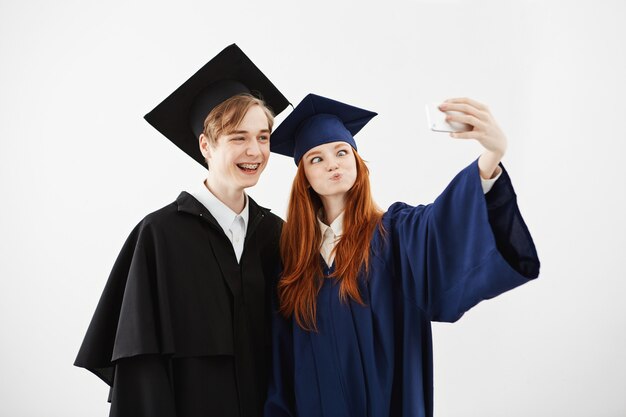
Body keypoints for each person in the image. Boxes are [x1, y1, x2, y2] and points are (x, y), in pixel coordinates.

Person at [265, 93, 540, 417]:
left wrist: (490, 158)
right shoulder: (294, 262)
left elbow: (442, 224)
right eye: (316, 159)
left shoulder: (393, 233)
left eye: (341, 152)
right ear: (305, 179)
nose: (332, 163)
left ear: (357, 161)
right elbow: (281, 365)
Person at [74, 44, 289, 417]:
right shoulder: (159, 235)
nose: (255, 150)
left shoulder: (276, 235)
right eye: (239, 137)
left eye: (263, 137)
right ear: (205, 145)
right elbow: (140, 367)